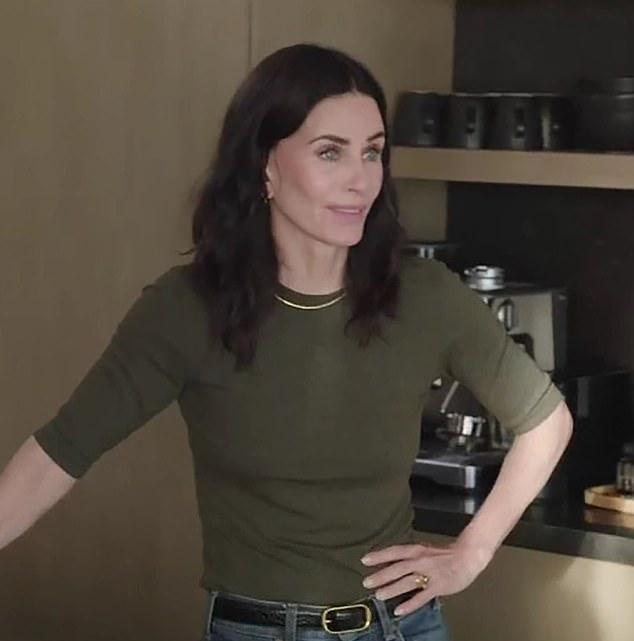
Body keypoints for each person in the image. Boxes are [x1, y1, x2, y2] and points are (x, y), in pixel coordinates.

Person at [0, 43, 572, 641]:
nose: (360, 180)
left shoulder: (424, 296)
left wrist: (471, 552)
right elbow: (57, 454)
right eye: (330, 152)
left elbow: (546, 420)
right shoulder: (188, 309)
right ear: (264, 166)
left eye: (372, 152)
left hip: (400, 627)